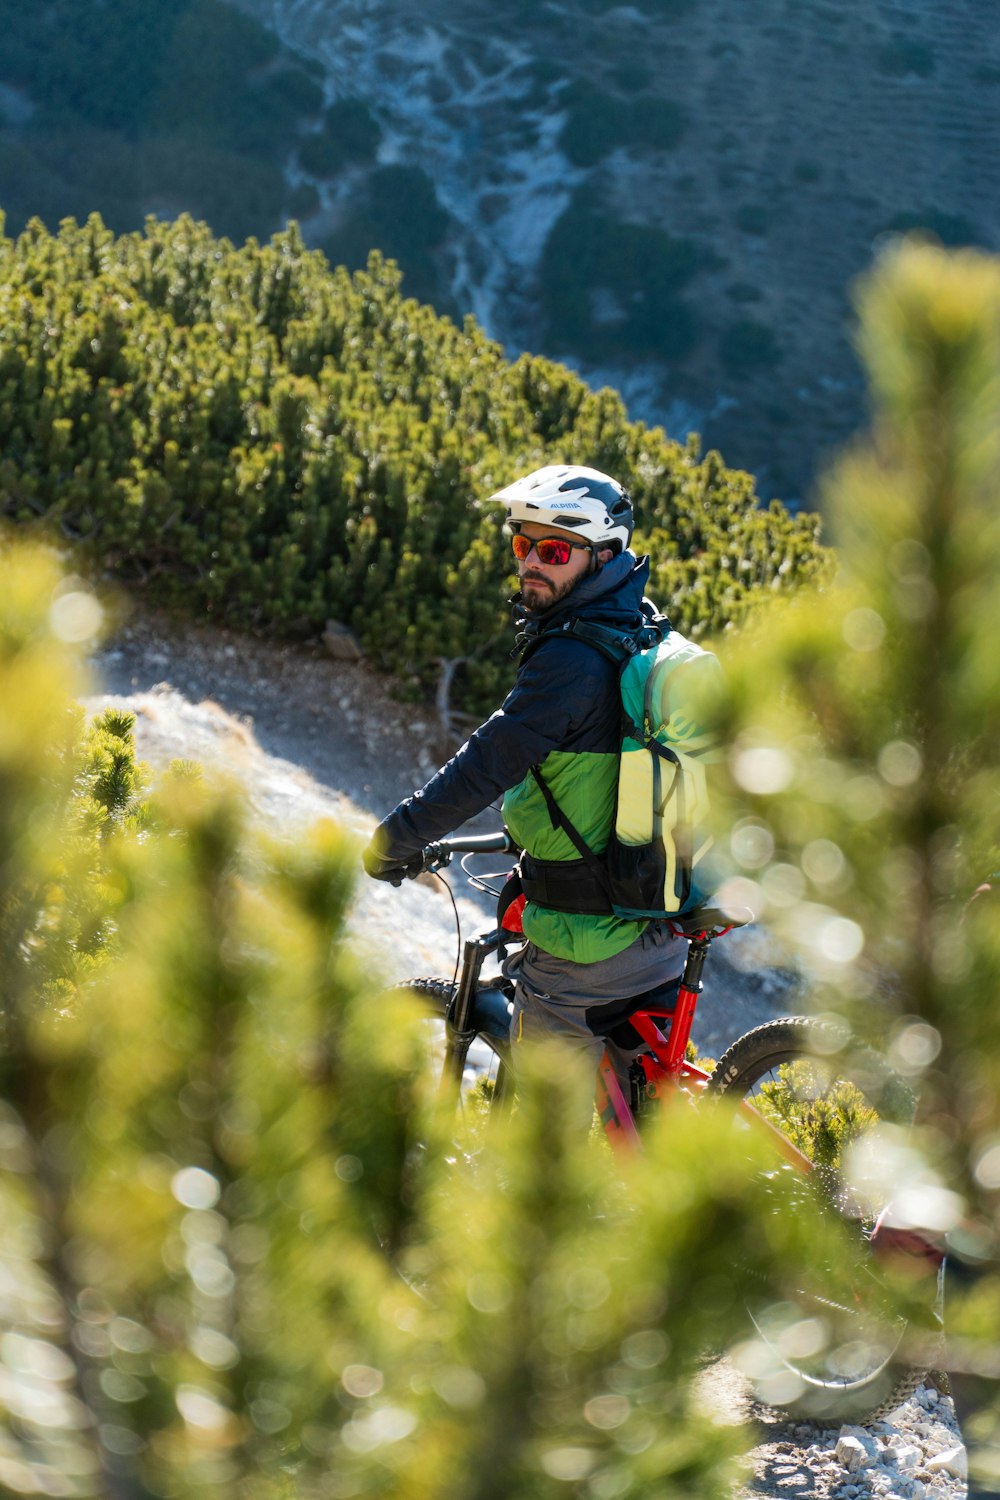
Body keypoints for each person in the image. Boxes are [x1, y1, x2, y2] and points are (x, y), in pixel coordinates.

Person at [363, 464, 706, 1088]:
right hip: (656, 932)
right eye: (524, 545)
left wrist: (396, 837)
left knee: (542, 1158)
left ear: (603, 555)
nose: (531, 564)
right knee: (645, 1111)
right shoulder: (637, 625)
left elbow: (489, 762)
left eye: (553, 550)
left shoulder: (572, 658)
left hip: (585, 950)